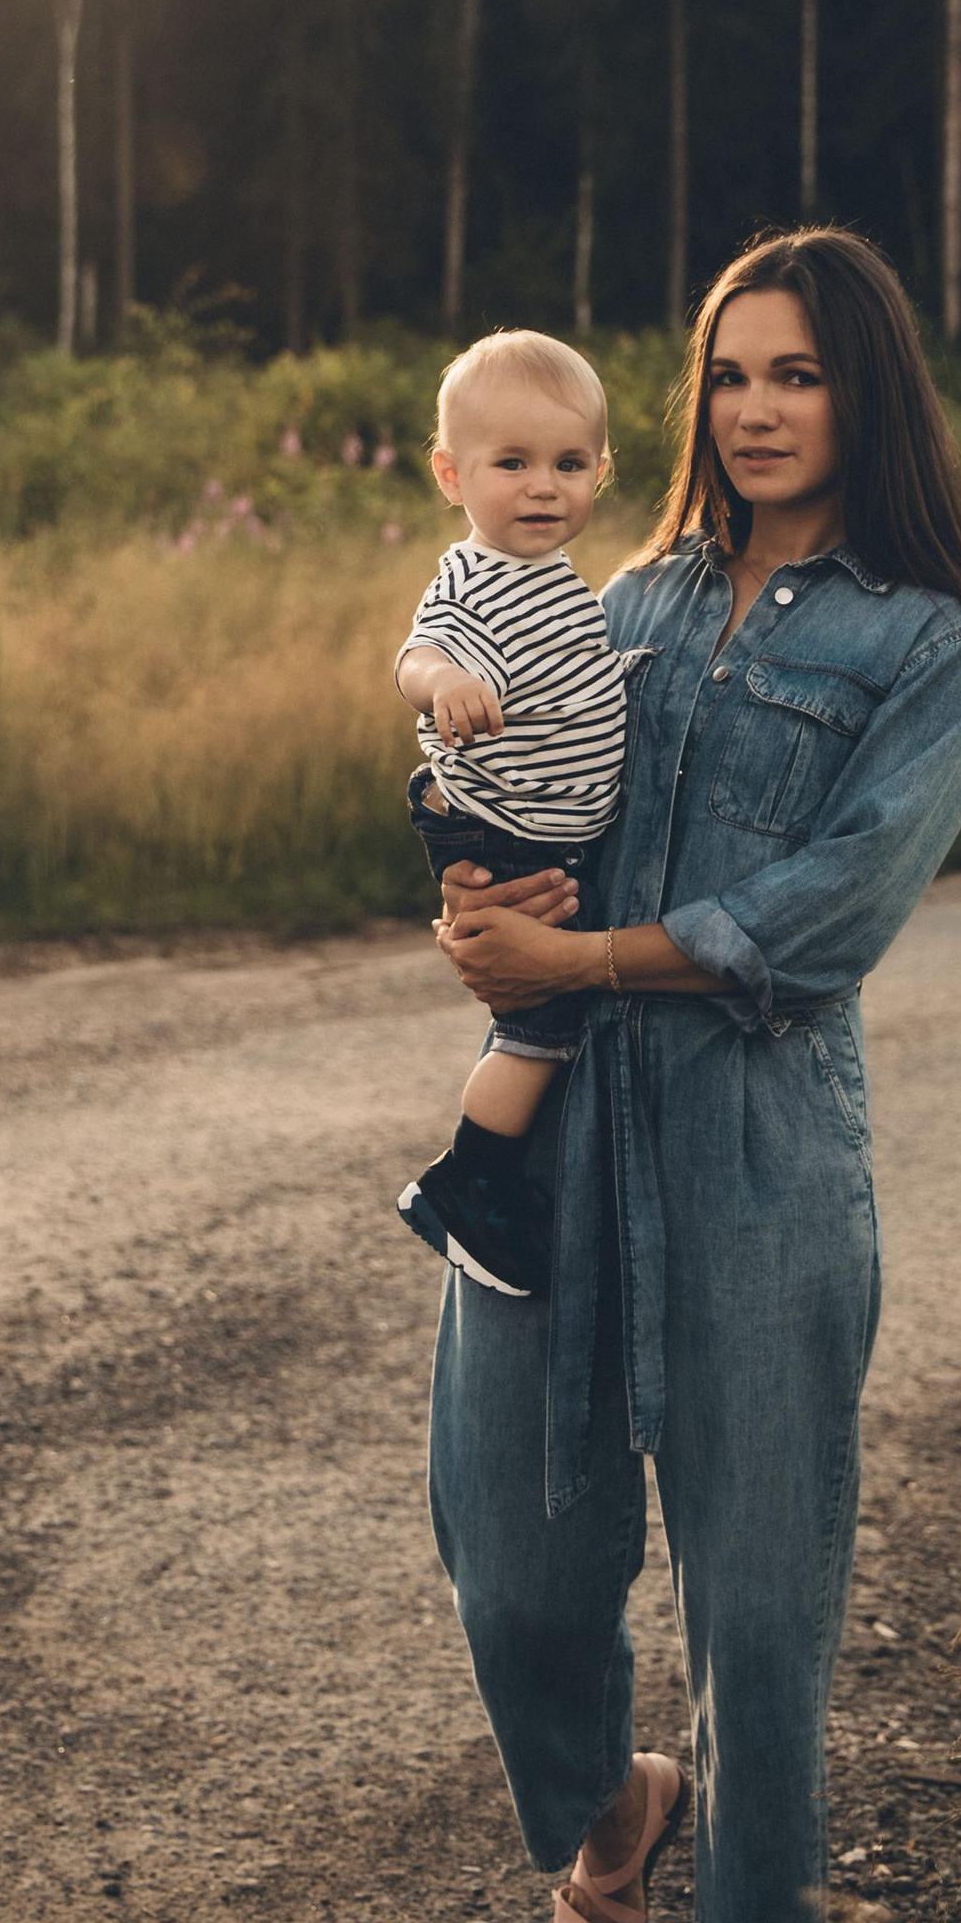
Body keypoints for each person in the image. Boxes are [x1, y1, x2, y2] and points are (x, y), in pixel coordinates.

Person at [423, 226, 961, 1923]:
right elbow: (522, 798)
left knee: (758, 1596)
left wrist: (586, 962)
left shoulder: (926, 644)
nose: (757, 412)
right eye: (732, 376)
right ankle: (613, 1803)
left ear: (868, 397)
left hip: (761, 1157)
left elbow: (824, 917)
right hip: (563, 1142)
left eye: (800, 376)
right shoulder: (625, 600)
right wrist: (474, 896)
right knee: (507, 1552)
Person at [392, 330, 628, 1298]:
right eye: (513, 464)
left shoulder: (561, 578)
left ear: (601, 473)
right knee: (541, 1024)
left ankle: (489, 1170)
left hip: (539, 827)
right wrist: (441, 682)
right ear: (452, 475)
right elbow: (414, 655)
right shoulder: (471, 576)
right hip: (498, 829)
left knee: (543, 1007)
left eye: (568, 465)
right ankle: (470, 1178)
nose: (543, 488)